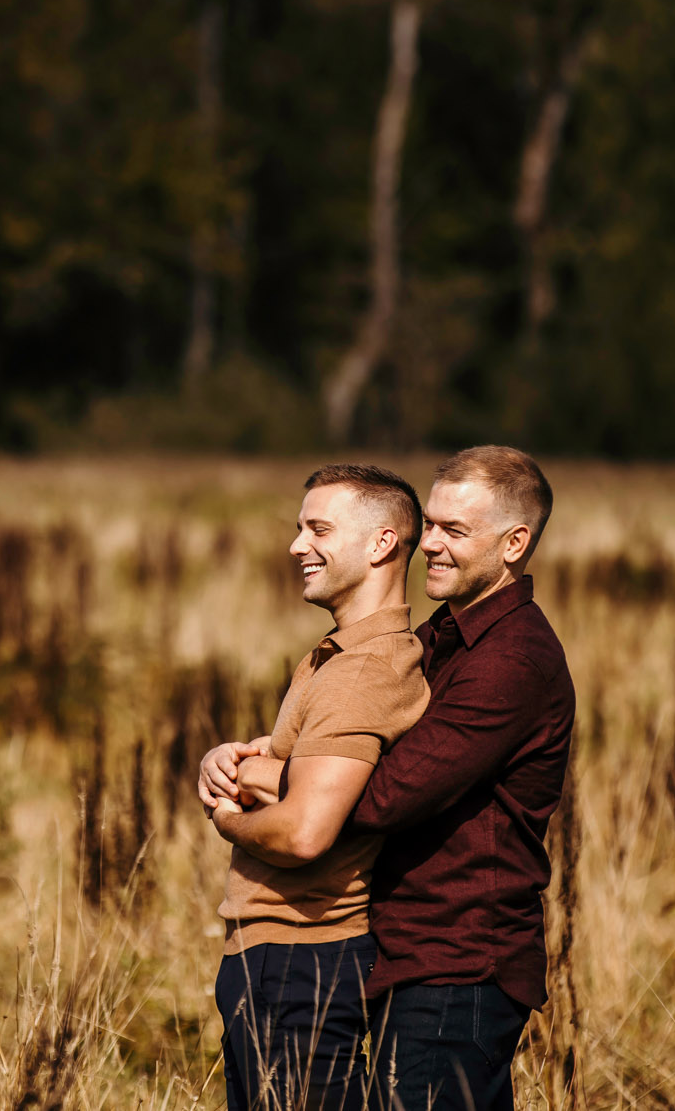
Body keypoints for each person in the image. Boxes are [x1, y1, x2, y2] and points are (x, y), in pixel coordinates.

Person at [228, 446, 573, 1111]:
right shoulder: (442, 637)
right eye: (432, 524)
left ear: (515, 543)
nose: (430, 545)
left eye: (453, 531)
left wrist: (269, 777)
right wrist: (267, 754)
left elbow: (384, 794)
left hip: (460, 960)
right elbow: (363, 747)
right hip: (412, 955)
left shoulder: (512, 659)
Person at [197, 463, 429, 1111]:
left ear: (382, 543)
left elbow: (304, 830)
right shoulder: (330, 658)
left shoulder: (363, 673)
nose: (297, 545)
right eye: (299, 527)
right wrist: (231, 760)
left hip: (305, 959)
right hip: (278, 958)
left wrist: (226, 817)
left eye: (318, 528)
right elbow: (282, 763)